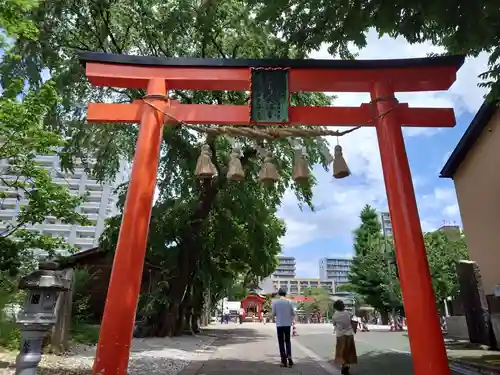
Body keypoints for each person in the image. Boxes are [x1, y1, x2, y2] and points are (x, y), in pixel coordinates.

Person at [332, 300, 357, 375]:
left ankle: (343, 365)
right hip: (349, 335)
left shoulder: (335, 316)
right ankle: (346, 366)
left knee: (341, 352)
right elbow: (352, 315)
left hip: (340, 336)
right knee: (348, 352)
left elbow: (334, 324)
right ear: (343, 306)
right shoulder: (347, 313)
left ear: (335, 307)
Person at [272, 288, 295, 368]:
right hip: (287, 324)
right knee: (288, 341)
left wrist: (275, 317)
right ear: (285, 294)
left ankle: (283, 360)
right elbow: (293, 313)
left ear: (278, 294)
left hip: (279, 325)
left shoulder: (275, 302)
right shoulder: (289, 302)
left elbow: (273, 313)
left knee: (281, 342)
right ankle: (289, 357)